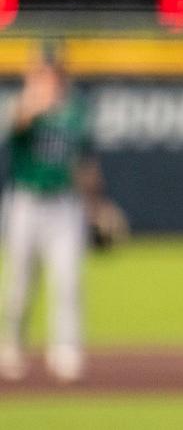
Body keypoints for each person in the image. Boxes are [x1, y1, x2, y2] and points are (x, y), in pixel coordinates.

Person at [0, 41, 98, 383]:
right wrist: (35, 104)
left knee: (68, 280)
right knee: (19, 285)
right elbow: (15, 126)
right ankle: (12, 344)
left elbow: (84, 163)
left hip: (64, 204)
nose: (50, 79)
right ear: (33, 74)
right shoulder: (21, 104)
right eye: (43, 72)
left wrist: (97, 207)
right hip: (26, 203)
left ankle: (66, 350)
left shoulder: (77, 111)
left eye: (54, 73)